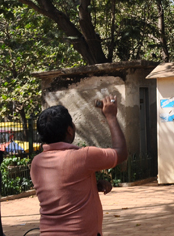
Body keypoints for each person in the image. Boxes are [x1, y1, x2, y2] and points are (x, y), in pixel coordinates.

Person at [30, 97, 127, 236]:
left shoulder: (36, 163)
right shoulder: (83, 156)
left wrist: (91, 185)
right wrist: (111, 116)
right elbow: (121, 153)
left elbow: (62, 188)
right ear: (70, 130)